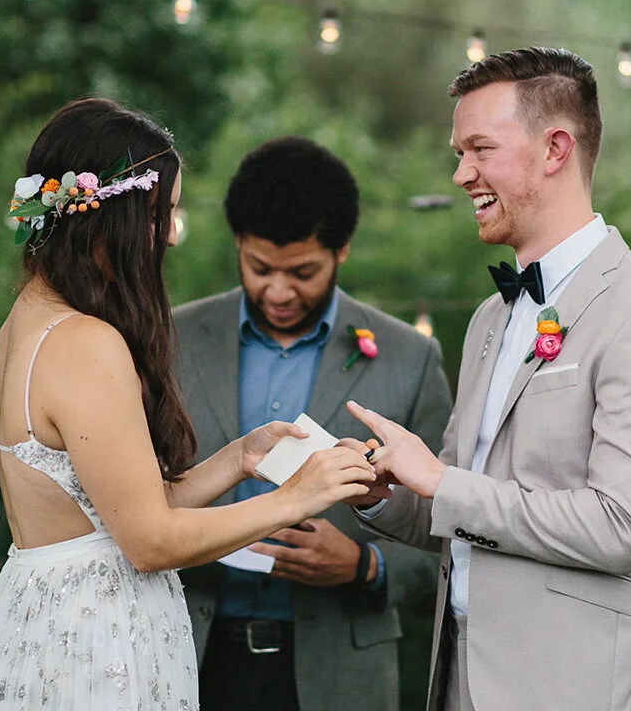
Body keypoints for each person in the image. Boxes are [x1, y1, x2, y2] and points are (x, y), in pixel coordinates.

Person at [0, 99, 377, 711]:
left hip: (45, 624)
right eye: (162, 214)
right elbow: (149, 541)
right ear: (113, 214)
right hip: (95, 648)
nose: (172, 235)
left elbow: (117, 512)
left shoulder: (27, 322)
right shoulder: (85, 342)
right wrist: (297, 497)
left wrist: (239, 458)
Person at [346, 49, 631, 711]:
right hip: (459, 681)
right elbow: (461, 512)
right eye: (460, 153)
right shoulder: (490, 319)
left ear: (555, 149)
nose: (461, 174)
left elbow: (620, 526)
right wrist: (382, 492)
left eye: (480, 149)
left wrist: (442, 482)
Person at [173, 137, 454, 711]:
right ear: (238, 242)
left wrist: (365, 566)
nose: (278, 291)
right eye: (259, 269)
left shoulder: (410, 358)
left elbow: (451, 532)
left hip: (340, 674)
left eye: (302, 272)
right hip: (186, 654)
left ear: (341, 249)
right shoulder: (170, 339)